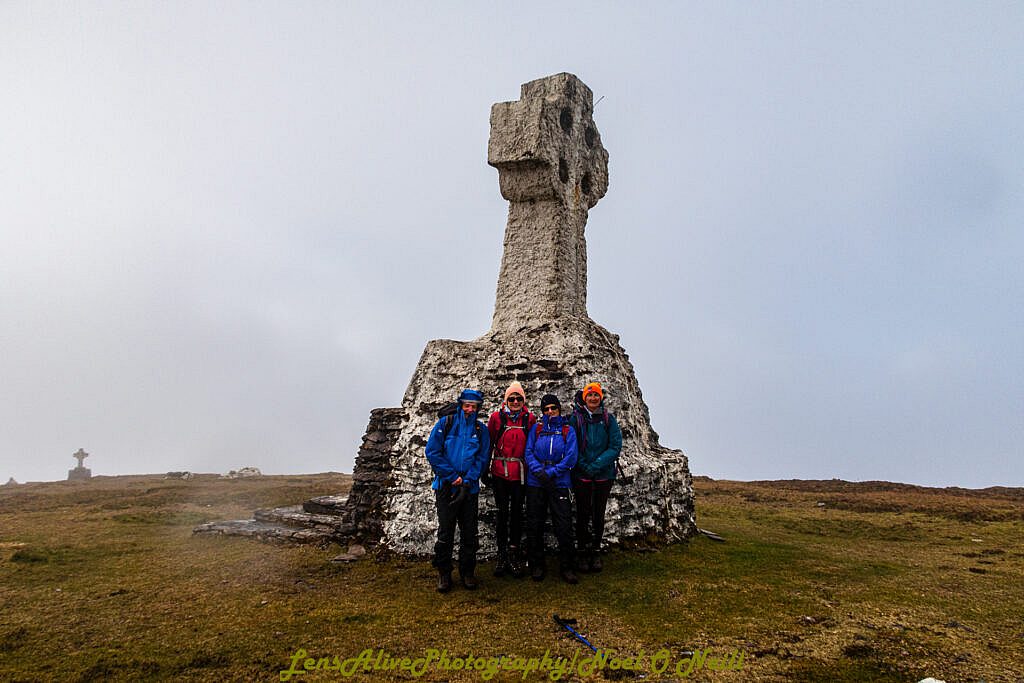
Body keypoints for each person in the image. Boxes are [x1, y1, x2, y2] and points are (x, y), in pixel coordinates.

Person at [425, 388, 491, 593]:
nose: (470, 409)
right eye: (467, 405)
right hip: (446, 486)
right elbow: (433, 452)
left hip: (469, 489)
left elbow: (482, 458)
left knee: (469, 532)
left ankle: (467, 572)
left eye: (474, 406)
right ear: (461, 405)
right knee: (446, 531)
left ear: (478, 408)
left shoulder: (481, 430)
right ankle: (444, 573)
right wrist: (453, 477)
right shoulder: (445, 424)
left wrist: (468, 480)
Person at [524, 393, 579, 584]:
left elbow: (571, 456)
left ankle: (568, 567)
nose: (550, 412)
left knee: (563, 525)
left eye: (553, 408)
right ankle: (537, 565)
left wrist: (553, 471)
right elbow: (528, 451)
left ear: (559, 409)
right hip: (536, 481)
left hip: (559, 482)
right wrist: (538, 470)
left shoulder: (567, 430)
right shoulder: (536, 429)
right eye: (546, 409)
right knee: (534, 524)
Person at [570, 382, 623, 573]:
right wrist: (585, 466)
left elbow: (615, 446)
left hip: (603, 475)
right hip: (582, 474)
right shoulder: (575, 419)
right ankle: (582, 552)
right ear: (584, 398)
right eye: (590, 395)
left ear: (601, 398)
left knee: (598, 514)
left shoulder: (609, 419)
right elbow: (572, 445)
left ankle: (596, 550)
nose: (593, 398)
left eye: (596, 395)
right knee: (583, 514)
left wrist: (596, 465)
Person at [485, 381, 536, 578]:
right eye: (511, 398)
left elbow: (532, 445)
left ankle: (513, 553)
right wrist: (484, 469)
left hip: (520, 474)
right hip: (499, 472)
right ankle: (502, 553)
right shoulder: (496, 418)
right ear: (506, 400)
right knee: (502, 513)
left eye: (519, 398)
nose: (515, 401)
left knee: (516, 513)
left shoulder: (529, 419)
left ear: (524, 401)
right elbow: (488, 444)